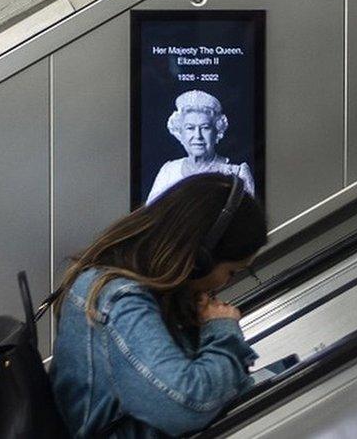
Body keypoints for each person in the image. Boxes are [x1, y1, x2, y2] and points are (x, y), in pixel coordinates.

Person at [51, 173, 267, 437]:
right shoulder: (120, 301)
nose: (224, 283)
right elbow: (185, 407)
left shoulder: (143, 290)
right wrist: (222, 333)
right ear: (200, 257)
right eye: (231, 272)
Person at [146, 90, 255, 205]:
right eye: (190, 128)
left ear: (217, 132)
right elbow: (151, 217)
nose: (197, 136)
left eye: (205, 128)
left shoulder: (237, 173)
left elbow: (248, 219)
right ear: (180, 133)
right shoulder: (168, 171)